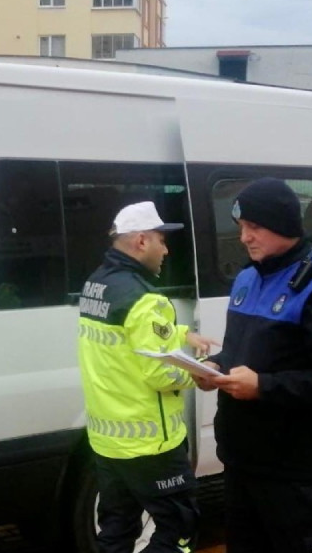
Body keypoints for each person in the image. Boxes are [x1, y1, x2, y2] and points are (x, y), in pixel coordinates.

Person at [196, 178, 312, 553]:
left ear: (284, 225)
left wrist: (265, 386)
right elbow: (243, 355)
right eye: (241, 227)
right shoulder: (246, 278)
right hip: (241, 460)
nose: (244, 238)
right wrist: (214, 368)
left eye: (254, 227)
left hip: (293, 470)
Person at [76, 201, 216, 553]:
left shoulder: (96, 285)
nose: (166, 250)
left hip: (108, 443)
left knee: (116, 531)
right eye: (161, 241)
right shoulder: (146, 300)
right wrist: (201, 374)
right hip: (152, 445)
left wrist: (182, 333)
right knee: (179, 531)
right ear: (141, 241)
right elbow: (161, 372)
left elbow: (126, 340)